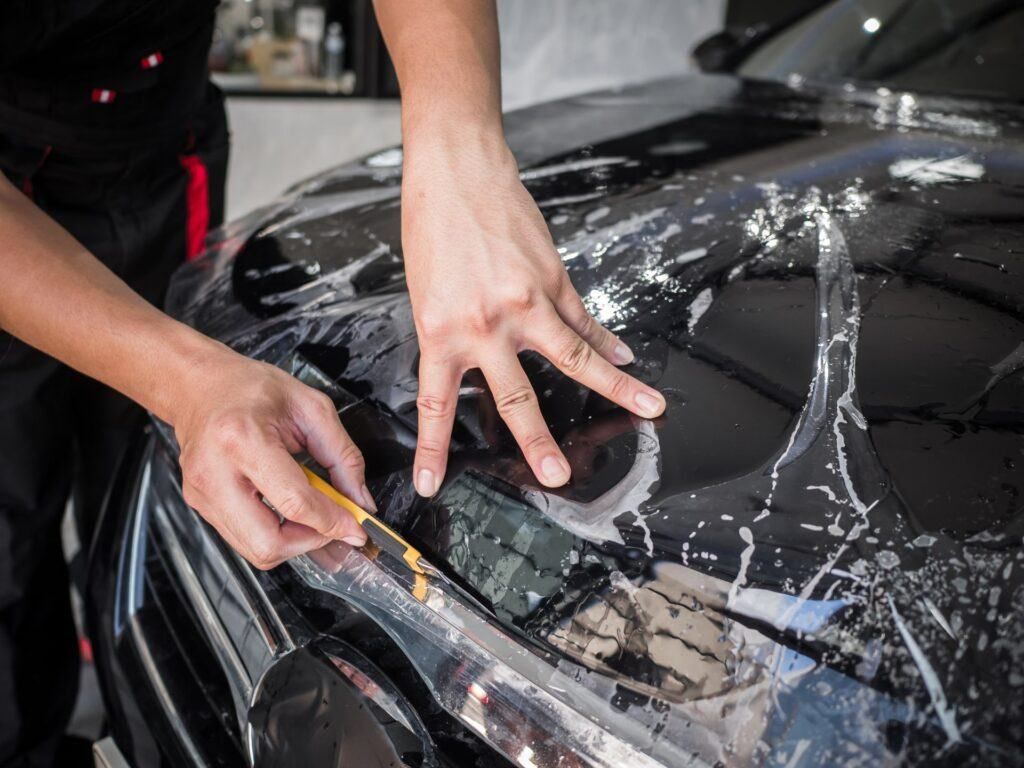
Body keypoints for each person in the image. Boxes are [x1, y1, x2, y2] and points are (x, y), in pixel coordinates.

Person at [0, 1, 666, 765]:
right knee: (9, 527)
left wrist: (459, 148)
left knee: (147, 474)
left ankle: (114, 645)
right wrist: (185, 382)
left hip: (157, 140)